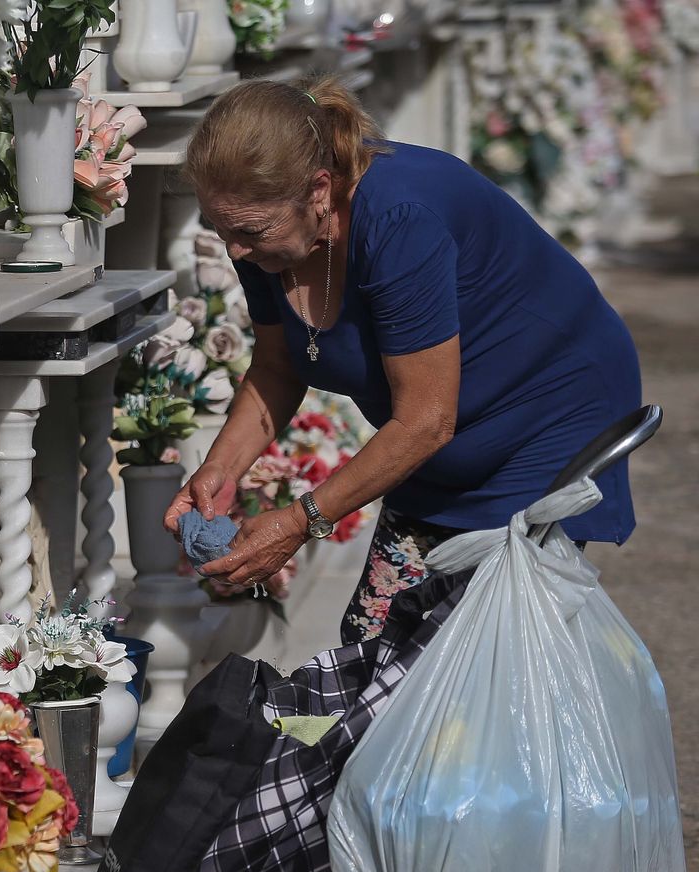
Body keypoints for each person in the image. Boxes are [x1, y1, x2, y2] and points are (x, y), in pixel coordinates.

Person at [162, 74, 640, 643]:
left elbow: (425, 420)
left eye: (248, 231)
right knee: (379, 646)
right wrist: (221, 470)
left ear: (319, 190)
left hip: (547, 416)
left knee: (491, 653)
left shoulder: (399, 218)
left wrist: (299, 521)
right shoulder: (266, 235)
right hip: (437, 437)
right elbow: (277, 365)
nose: (235, 249)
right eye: (221, 229)